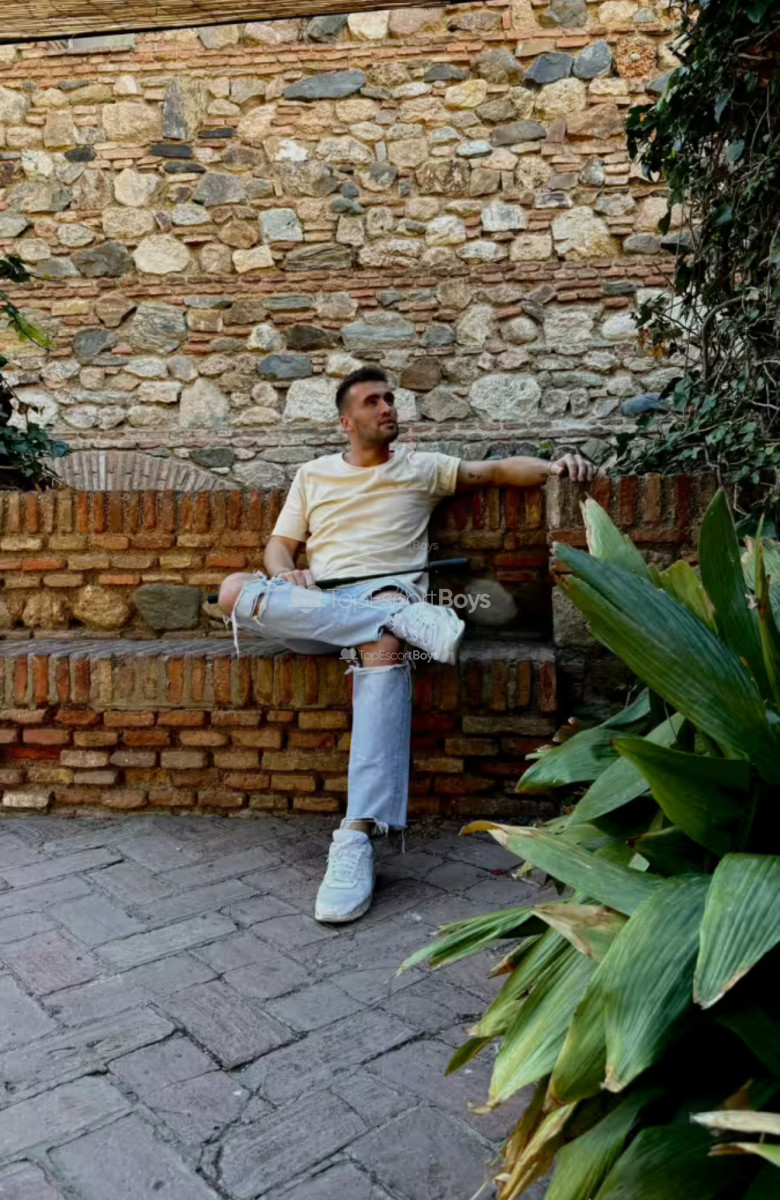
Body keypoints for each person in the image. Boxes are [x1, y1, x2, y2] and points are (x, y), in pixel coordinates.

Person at [219, 367, 592, 925]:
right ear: (347, 422)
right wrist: (286, 573)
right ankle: (397, 617)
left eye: (390, 398)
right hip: (320, 606)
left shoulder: (422, 467)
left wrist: (555, 467)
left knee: (385, 646)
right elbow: (279, 545)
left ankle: (356, 836)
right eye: (373, 401)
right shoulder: (313, 474)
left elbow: (494, 470)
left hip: (380, 598)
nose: (388, 407)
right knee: (233, 590)